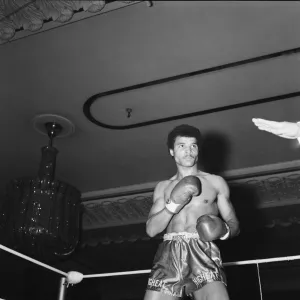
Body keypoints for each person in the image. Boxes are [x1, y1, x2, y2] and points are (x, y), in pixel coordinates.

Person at [144, 124, 240, 300]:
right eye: (181, 146)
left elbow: (234, 225)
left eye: (193, 146)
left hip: (203, 251)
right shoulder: (163, 187)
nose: (188, 151)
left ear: (198, 150)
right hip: (169, 254)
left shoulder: (215, 182)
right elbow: (151, 230)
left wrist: (223, 231)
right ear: (172, 151)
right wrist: (173, 204)